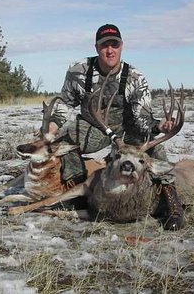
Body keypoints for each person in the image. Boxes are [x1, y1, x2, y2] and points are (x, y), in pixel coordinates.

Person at [47, 24, 184, 230]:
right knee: (65, 141)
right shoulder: (79, 71)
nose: (110, 50)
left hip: (126, 131)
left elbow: (142, 118)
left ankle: (172, 203)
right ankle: (78, 194)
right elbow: (65, 103)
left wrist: (159, 126)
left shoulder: (135, 78)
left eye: (114, 44)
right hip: (94, 128)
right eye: (104, 45)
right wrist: (52, 128)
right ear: (96, 48)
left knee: (156, 150)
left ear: (121, 46)